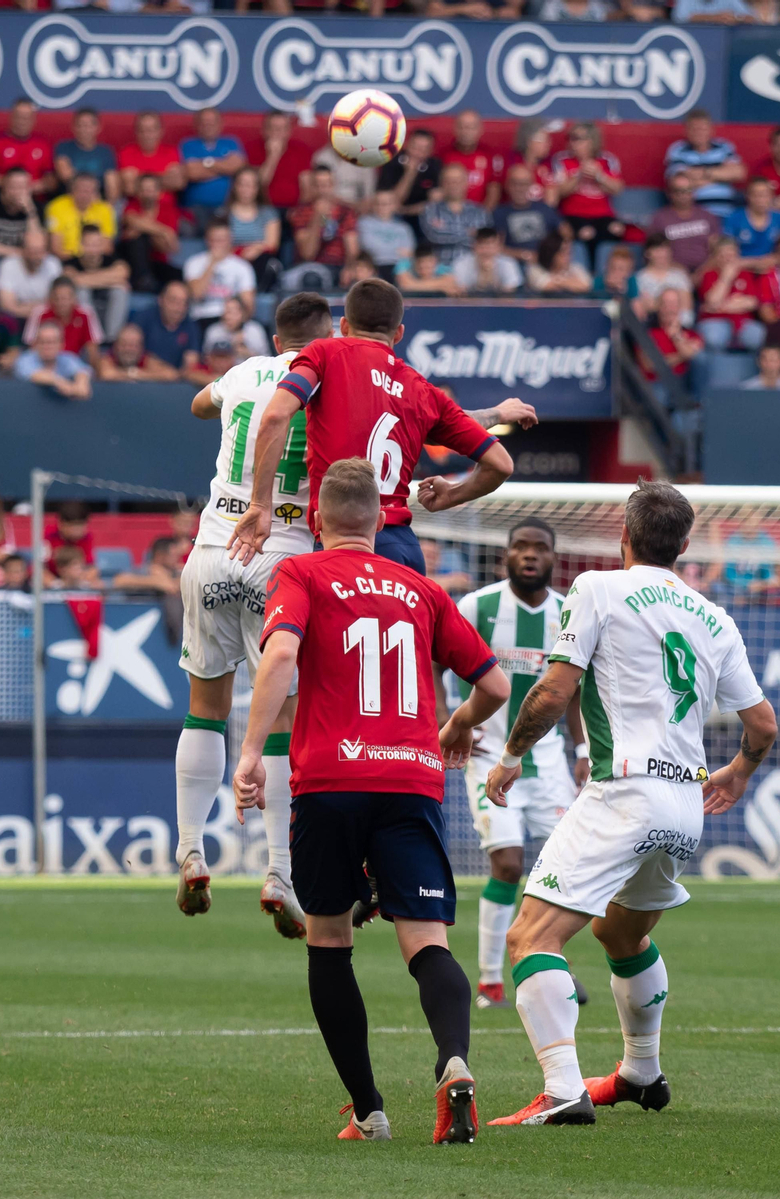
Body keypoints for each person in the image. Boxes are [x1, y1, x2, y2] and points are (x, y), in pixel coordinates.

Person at [485, 481, 776, 1127]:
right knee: (620, 931)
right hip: (685, 803)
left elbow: (554, 690)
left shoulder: (597, 588)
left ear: (624, 535)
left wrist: (510, 755)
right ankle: (642, 1071)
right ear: (684, 545)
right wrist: (739, 773)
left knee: (530, 935)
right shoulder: (715, 617)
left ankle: (562, 1089)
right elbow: (763, 725)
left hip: (623, 791)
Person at [231, 472, 506, 1148]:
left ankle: (369, 1111)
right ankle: (453, 1060)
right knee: (428, 941)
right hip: (410, 777)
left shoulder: (301, 572)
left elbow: (282, 652)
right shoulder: (422, 588)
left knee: (329, 939)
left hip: (330, 777)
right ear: (381, 523)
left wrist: (250, 752)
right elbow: (496, 685)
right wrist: (459, 725)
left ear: (317, 521)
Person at [231, 279, 522, 574]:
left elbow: (276, 415)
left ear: (344, 326)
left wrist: (260, 505)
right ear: (399, 333)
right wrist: (453, 494)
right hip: (404, 549)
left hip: (347, 543)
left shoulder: (323, 354)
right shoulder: (422, 390)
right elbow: (501, 464)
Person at [450, 525, 592, 1017]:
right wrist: (451, 721)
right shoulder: (477, 607)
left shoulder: (568, 613)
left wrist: (582, 749)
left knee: (563, 868)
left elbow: (571, 692)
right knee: (508, 864)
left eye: (540, 549)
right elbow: (434, 662)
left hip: (549, 760)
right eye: (520, 547)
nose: (529, 556)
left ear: (554, 558)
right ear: (505, 555)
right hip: (489, 755)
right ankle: (491, 980)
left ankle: (548, 961)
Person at [548, 122, 626, 245]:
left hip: (602, 215)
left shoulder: (607, 160)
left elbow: (618, 189)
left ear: (591, 141)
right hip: (573, 214)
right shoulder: (561, 159)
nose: (571, 143)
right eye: (570, 138)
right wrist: (578, 175)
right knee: (586, 233)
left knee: (617, 229)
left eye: (576, 139)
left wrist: (599, 176)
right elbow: (559, 192)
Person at [663, 109, 745, 215]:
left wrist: (705, 173)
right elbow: (680, 183)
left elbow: (739, 173)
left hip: (726, 212)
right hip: (694, 215)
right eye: (694, 129)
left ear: (711, 130)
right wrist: (720, 176)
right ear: (686, 131)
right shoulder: (678, 150)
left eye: (702, 129)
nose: (699, 133)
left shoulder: (724, 147)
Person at [63, 223, 132, 344]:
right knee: (81, 291)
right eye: (88, 244)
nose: (93, 250)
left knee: (120, 290)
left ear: (102, 245)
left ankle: (112, 340)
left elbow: (123, 272)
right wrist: (111, 280)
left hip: (108, 308)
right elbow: (72, 280)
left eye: (96, 244)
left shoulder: (112, 259)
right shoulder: (71, 263)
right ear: (80, 244)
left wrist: (84, 279)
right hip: (84, 311)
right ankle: (92, 337)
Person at [695, 237, 765, 352]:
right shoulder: (709, 275)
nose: (727, 259)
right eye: (722, 255)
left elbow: (752, 302)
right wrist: (726, 278)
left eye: (730, 255)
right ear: (716, 258)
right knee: (714, 338)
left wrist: (720, 306)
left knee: (758, 336)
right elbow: (712, 302)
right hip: (714, 320)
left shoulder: (745, 274)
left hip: (743, 321)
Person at [179, 107, 246, 226]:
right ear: (197, 125)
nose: (208, 126)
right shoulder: (188, 144)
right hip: (195, 208)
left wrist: (205, 164)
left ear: (220, 124)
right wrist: (224, 167)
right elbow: (191, 172)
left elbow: (238, 168)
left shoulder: (231, 142)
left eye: (212, 122)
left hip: (227, 207)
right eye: (204, 122)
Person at [0, 98, 55, 198]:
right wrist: (16, 187)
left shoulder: (43, 145)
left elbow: (51, 180)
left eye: (27, 118)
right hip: (2, 199)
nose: (22, 122)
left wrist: (39, 186)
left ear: (34, 120)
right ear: (11, 117)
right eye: (19, 117)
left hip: (35, 199)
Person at [185, 220, 257, 325]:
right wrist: (212, 263)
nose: (218, 244)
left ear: (230, 240)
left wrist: (237, 323)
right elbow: (196, 294)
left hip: (230, 320)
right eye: (214, 240)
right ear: (207, 240)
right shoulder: (194, 263)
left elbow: (248, 306)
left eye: (222, 240)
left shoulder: (243, 267)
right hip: (201, 319)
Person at [135, 280, 208, 382]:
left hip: (176, 384)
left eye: (184, 303)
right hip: (141, 381)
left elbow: (191, 364)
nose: (179, 308)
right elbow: (130, 352)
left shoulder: (191, 326)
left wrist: (175, 374)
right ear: (161, 300)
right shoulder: (143, 318)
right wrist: (161, 371)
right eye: (174, 301)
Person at [648, 174, 720, 273]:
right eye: (678, 191)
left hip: (706, 271)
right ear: (669, 193)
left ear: (694, 192)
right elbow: (653, 252)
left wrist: (701, 272)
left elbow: (717, 249)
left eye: (687, 190)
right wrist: (680, 272)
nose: (683, 195)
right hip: (671, 272)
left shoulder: (707, 216)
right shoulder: (660, 219)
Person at [378, 128, 443, 230]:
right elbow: (393, 202)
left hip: (422, 215)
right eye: (415, 148)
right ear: (406, 145)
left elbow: (435, 201)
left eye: (423, 150)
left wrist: (406, 210)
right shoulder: (392, 163)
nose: (417, 153)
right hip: (393, 216)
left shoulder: (435, 166)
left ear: (430, 151)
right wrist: (410, 174)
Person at [420, 162, 483, 266]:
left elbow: (482, 241)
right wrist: (468, 233)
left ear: (466, 183)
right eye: (448, 181)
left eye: (457, 181)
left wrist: (446, 230)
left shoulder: (479, 211)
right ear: (441, 184)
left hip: (472, 269)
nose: (453, 185)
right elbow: (435, 236)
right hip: (440, 268)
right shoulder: (430, 209)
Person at [441, 109, 507, 209]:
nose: (465, 132)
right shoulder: (443, 155)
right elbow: (439, 190)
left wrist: (483, 215)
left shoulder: (490, 155)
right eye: (461, 127)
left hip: (480, 212)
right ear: (455, 129)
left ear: (480, 130)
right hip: (449, 213)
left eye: (471, 127)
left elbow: (494, 190)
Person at [0, 226, 62, 321]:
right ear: (23, 250)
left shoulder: (53, 264)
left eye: (41, 251)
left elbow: (59, 302)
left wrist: (25, 307)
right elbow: (6, 306)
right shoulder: (8, 265)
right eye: (33, 251)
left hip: (46, 319)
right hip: (17, 319)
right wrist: (39, 308)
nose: (38, 256)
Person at [44, 172, 115, 261]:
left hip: (95, 260)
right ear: (72, 190)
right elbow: (56, 248)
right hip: (67, 260)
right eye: (82, 190)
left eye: (90, 191)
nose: (86, 195)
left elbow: (107, 247)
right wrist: (80, 259)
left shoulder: (105, 209)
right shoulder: (56, 207)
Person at [54, 107, 120, 203]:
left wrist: (107, 206)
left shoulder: (106, 152)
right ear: (73, 127)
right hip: (71, 201)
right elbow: (65, 175)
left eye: (88, 126)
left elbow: (112, 184)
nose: (83, 130)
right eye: (80, 125)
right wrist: (87, 194)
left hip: (97, 201)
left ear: (98, 127)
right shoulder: (63, 147)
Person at [14, 322, 93, 399]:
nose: (47, 346)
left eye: (52, 342)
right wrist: (59, 382)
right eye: (42, 342)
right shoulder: (25, 359)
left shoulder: (67, 358)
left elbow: (83, 370)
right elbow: (34, 374)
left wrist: (82, 381)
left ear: (61, 344)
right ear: (35, 344)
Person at [359, 190, 418, 278]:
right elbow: (369, 248)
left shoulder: (403, 227)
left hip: (400, 268)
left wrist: (384, 250)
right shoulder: (364, 223)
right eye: (377, 203)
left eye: (385, 204)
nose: (381, 207)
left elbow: (409, 253)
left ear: (394, 205)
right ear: (372, 205)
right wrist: (397, 251)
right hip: (374, 266)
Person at [452, 227, 522, 295]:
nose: (486, 251)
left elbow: (509, 292)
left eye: (490, 247)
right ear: (474, 246)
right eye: (482, 247)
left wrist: (490, 275)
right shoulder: (461, 263)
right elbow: (461, 292)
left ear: (498, 247)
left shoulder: (508, 263)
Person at [99, 323, 178, 382]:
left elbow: (171, 374)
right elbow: (106, 374)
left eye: (133, 345)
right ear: (116, 346)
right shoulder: (108, 358)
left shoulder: (146, 359)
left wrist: (139, 374)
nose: (128, 349)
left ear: (141, 348)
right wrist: (132, 373)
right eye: (124, 344)